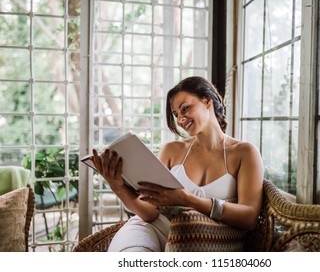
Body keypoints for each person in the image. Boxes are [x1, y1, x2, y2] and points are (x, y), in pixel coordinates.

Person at [91, 76, 264, 252]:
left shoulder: (245, 153)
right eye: (176, 114)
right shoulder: (172, 151)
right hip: (152, 229)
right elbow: (149, 213)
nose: (181, 119)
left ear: (207, 101)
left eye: (185, 109)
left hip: (202, 240)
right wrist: (118, 187)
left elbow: (249, 217)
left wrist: (188, 200)